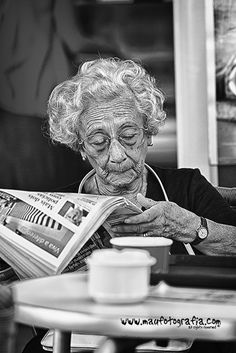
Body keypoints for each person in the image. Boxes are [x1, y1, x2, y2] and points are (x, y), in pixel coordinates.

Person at [22, 58, 236, 353]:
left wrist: (191, 227)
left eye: (129, 136)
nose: (117, 155)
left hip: (179, 335)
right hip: (84, 338)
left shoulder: (186, 187)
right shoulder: (57, 206)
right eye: (98, 141)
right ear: (81, 147)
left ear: (148, 134)